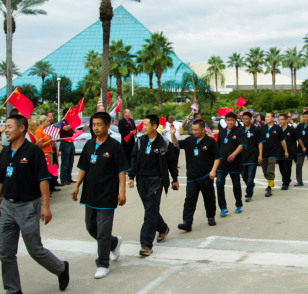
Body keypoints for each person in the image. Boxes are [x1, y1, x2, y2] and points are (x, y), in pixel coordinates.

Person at [0, 114, 69, 293]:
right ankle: (13, 290)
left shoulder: (33, 151)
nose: (5, 130)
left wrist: (46, 207)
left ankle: (61, 268)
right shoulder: (5, 152)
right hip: (8, 207)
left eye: (9, 126)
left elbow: (43, 180)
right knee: (5, 252)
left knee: (34, 249)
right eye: (5, 127)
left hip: (28, 206)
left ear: (21, 128)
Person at [71, 112, 129, 279]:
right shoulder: (89, 145)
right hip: (90, 193)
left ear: (107, 125)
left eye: (99, 125)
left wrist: (122, 192)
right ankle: (114, 242)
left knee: (103, 231)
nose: (95, 128)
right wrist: (76, 186)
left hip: (107, 195)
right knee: (91, 228)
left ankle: (103, 263)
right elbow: (83, 167)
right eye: (93, 125)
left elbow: (121, 171)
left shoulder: (114, 146)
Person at [128, 115, 179, 256]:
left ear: (154, 126)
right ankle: (163, 228)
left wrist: (175, 179)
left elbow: (171, 162)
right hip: (141, 180)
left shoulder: (164, 143)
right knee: (150, 208)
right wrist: (131, 176)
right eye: (143, 124)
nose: (143, 127)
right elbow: (133, 158)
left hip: (157, 180)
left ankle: (146, 244)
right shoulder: (140, 141)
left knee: (150, 210)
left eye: (145, 125)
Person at [170, 119, 221, 231]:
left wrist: (213, 170)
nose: (194, 132)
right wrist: (173, 134)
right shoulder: (189, 141)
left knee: (209, 198)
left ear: (203, 129)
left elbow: (217, 157)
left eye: (196, 130)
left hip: (206, 176)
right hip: (192, 178)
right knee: (189, 200)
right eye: (192, 129)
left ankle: (210, 216)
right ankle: (187, 222)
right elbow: (176, 144)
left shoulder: (211, 142)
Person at [216, 112, 246, 216]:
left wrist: (234, 154)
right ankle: (223, 208)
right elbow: (218, 148)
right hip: (222, 164)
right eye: (228, 120)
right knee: (219, 184)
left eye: (232, 120)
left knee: (236, 185)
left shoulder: (240, 131)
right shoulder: (221, 132)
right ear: (225, 120)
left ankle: (239, 204)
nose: (230, 122)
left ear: (235, 121)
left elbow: (242, 145)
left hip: (235, 164)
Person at [260, 112, 288, 197]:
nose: (266, 118)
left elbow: (282, 140)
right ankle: (271, 182)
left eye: (268, 117)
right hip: (264, 153)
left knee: (270, 169)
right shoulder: (262, 128)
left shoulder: (278, 128)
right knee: (265, 172)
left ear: (273, 118)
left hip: (274, 152)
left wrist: (286, 151)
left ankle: (269, 188)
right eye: (266, 117)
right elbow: (258, 142)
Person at [241, 112, 264, 202]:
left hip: (253, 156)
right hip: (242, 156)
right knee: (243, 176)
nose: (245, 120)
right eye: (244, 119)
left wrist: (260, 155)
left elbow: (260, 143)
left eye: (247, 118)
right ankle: (251, 185)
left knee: (250, 176)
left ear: (251, 119)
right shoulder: (240, 130)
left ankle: (248, 193)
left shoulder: (256, 130)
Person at [36, 115, 60, 195]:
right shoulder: (39, 131)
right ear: (42, 122)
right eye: (47, 121)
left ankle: (50, 187)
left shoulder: (45, 130)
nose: (49, 123)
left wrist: (51, 142)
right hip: (44, 153)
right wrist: (49, 142)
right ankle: (46, 190)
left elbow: (47, 141)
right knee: (46, 172)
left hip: (49, 152)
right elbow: (39, 145)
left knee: (51, 171)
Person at [277, 114, 299, 190]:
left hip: (289, 152)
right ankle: (287, 179)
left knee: (287, 167)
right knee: (281, 168)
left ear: (286, 120)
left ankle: (285, 183)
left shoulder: (292, 130)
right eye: (279, 120)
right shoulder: (278, 130)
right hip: (280, 152)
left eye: (282, 119)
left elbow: (298, 139)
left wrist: (302, 147)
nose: (280, 121)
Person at [44, 112, 63, 188]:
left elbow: (53, 140)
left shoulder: (51, 127)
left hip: (53, 149)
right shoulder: (43, 129)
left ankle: (54, 182)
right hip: (47, 151)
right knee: (49, 168)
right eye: (50, 117)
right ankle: (51, 185)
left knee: (55, 166)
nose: (52, 118)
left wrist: (57, 150)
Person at [59, 108, 77, 185]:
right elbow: (65, 128)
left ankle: (69, 178)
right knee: (65, 162)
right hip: (65, 143)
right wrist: (73, 123)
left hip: (71, 142)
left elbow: (73, 130)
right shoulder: (62, 121)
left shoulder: (69, 122)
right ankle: (64, 179)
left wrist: (81, 130)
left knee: (70, 161)